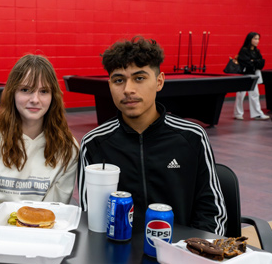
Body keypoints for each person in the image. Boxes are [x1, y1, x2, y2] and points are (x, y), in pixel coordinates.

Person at [78, 36, 227, 235]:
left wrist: (195, 255)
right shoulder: (93, 144)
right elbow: (92, 217)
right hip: (117, 257)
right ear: (110, 85)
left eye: (139, 78)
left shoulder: (192, 137)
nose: (128, 89)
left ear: (159, 82)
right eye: (119, 80)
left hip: (183, 256)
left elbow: (213, 213)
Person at [0, 54, 79, 212]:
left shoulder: (68, 148)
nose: (35, 99)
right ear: (12, 93)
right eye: (25, 90)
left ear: (53, 96)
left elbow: (53, 210)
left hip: (41, 234)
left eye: (43, 91)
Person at [233, 32, 269, 120]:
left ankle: (257, 113)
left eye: (258, 39)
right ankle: (238, 113)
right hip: (244, 75)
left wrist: (254, 61)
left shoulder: (257, 51)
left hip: (254, 75)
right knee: (240, 94)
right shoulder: (244, 50)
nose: (257, 41)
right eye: (255, 39)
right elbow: (247, 63)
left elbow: (261, 63)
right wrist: (254, 62)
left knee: (255, 94)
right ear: (250, 39)